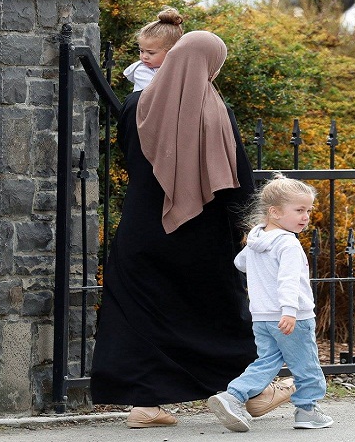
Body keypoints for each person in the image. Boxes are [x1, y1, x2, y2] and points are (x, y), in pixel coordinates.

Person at [91, 31, 260, 428]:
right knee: (216, 311)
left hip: (142, 228)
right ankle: (248, 392)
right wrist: (249, 224)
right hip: (201, 235)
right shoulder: (215, 111)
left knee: (138, 313)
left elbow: (131, 160)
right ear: (208, 64)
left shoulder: (136, 105)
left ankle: (144, 404)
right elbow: (237, 179)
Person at [207, 172, 332, 432]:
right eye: (299, 210)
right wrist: (289, 311)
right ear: (274, 212)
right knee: (305, 363)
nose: (305, 216)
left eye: (308, 210)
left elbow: (239, 263)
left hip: (262, 317)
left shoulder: (257, 239)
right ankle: (307, 410)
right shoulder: (288, 244)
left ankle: (232, 396)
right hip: (292, 317)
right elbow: (288, 281)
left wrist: (257, 260)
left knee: (266, 362)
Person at [122, 6, 183, 91]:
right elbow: (157, 92)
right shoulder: (142, 70)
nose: (144, 56)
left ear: (171, 52)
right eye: (141, 51)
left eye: (151, 53)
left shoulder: (179, 68)